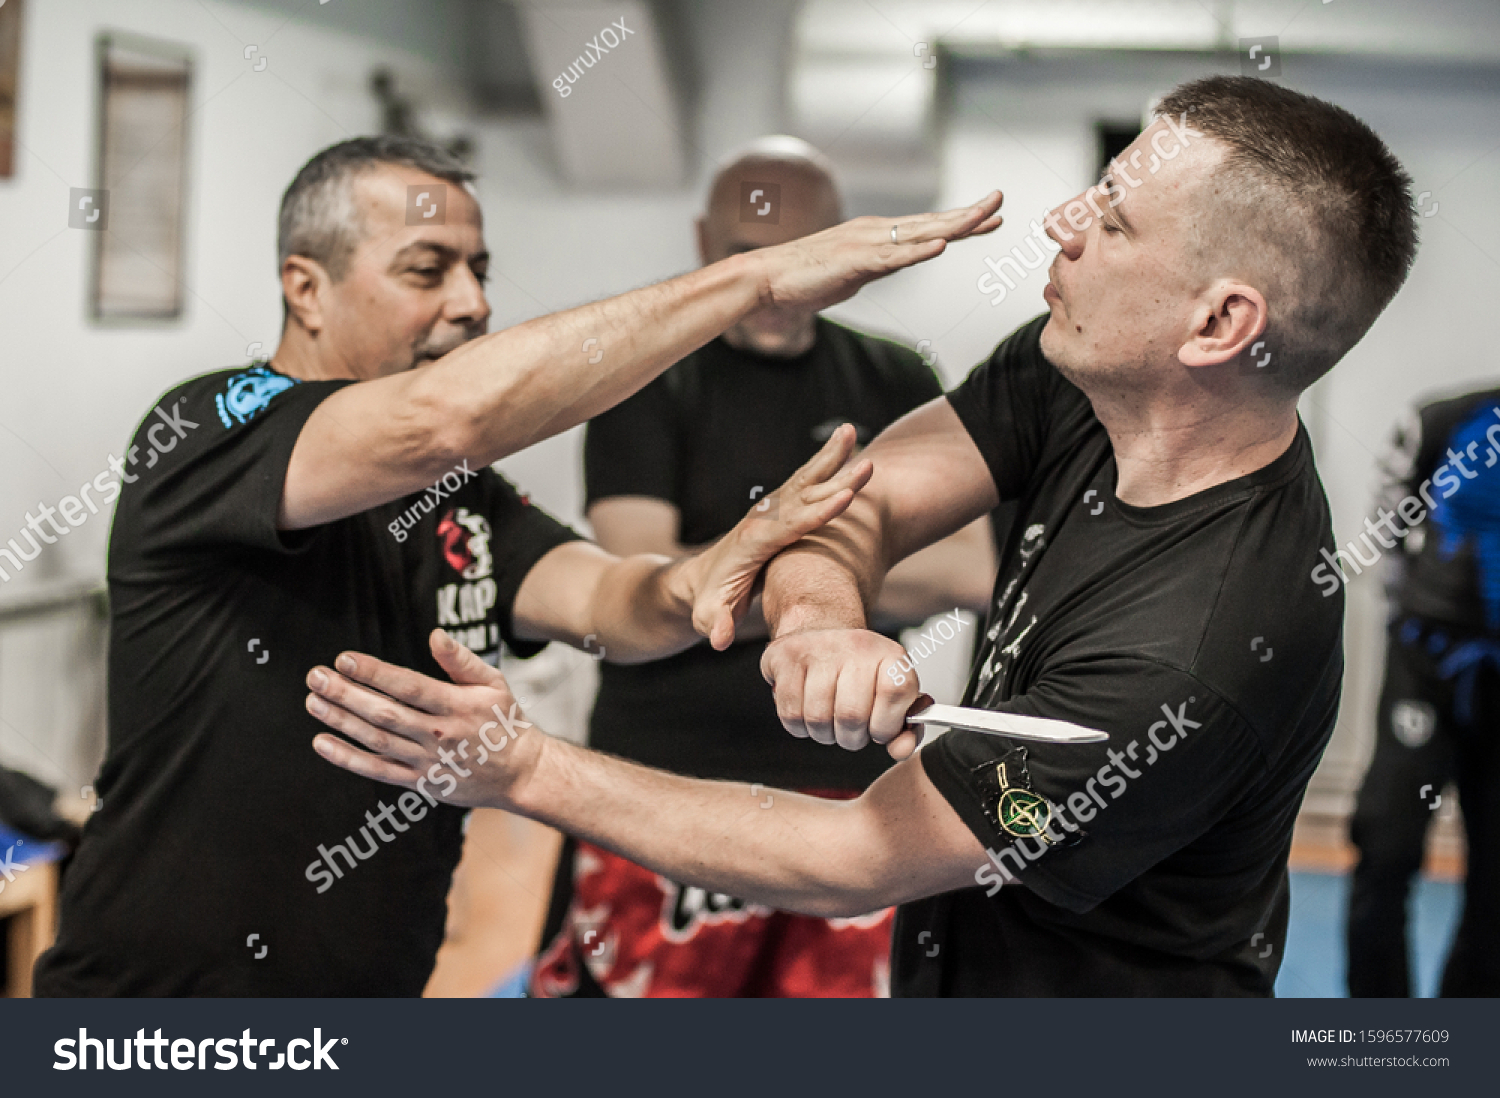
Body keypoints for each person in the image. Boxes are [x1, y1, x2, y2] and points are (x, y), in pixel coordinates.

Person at [304, 76, 1418, 996]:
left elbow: (854, 855)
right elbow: (857, 506)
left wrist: (523, 765)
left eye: (1113, 220)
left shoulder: (1196, 654)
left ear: (1219, 324)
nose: (1064, 224)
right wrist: (822, 621)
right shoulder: (1079, 373)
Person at [32, 135, 1002, 996]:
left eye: (479, 269)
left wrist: (716, 572)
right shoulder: (209, 429)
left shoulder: (456, 495)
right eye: (427, 270)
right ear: (305, 287)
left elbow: (610, 598)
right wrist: (755, 279)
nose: (473, 303)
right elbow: (445, 416)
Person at [531, 138, 994, 998]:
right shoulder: (651, 376)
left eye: (800, 255)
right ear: (704, 241)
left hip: (848, 781)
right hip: (663, 771)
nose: (777, 284)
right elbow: (637, 585)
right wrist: (831, 589)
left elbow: (968, 570)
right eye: (749, 255)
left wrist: (737, 570)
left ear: (841, 248)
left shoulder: (895, 375)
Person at [1345, 388, 1500, 997]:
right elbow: (1387, 528)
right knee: (1386, 843)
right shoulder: (1448, 420)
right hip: (1426, 665)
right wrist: (1407, 618)